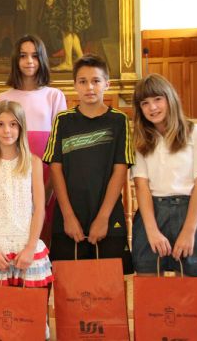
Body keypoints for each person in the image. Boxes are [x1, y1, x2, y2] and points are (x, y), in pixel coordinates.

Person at [43, 54, 134, 274]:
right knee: (70, 284)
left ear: (107, 84)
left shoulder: (118, 120)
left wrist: (103, 218)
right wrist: (68, 217)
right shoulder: (63, 121)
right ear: (75, 85)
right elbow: (55, 169)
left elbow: (120, 170)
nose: (89, 87)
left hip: (108, 216)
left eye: (96, 81)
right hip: (69, 218)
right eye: (83, 81)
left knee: (109, 285)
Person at [0, 101, 53, 339]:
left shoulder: (33, 162)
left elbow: (39, 209)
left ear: (21, 128)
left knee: (29, 317)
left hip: (26, 246)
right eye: (0, 124)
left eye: (12, 124)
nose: (6, 130)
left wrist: (30, 247)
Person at [131, 74, 197, 277]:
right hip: (152, 213)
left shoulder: (195, 132)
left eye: (158, 99)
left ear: (170, 99)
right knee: (148, 280)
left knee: (190, 284)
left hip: (189, 211)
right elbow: (141, 186)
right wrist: (152, 231)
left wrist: (188, 231)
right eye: (145, 103)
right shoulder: (140, 140)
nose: (152, 107)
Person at [0, 35, 67, 244]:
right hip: (15, 173)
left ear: (42, 59)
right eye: (23, 56)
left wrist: (50, 183)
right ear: (16, 60)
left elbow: (61, 144)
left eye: (35, 56)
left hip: (47, 171)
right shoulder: (5, 98)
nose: (29, 61)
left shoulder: (54, 95)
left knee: (46, 227)